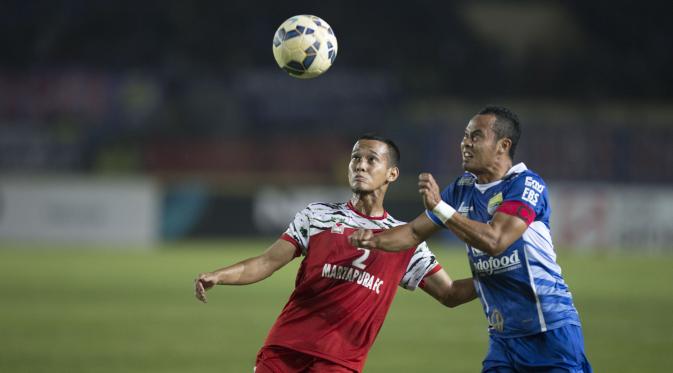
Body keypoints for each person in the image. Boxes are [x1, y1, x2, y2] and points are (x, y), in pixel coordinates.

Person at [194, 134, 476, 373]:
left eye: (371, 160)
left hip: (339, 361)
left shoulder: (405, 237)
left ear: (392, 173)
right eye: (355, 158)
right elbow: (267, 262)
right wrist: (220, 275)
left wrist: (498, 275)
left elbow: (449, 293)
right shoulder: (318, 215)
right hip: (284, 348)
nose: (360, 166)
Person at [349, 107, 592, 373]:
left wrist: (441, 208)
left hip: (549, 331)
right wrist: (372, 240)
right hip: (503, 338)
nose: (465, 142)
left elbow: (496, 240)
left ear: (503, 145)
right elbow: (413, 233)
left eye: (476, 136)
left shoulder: (525, 184)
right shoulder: (463, 189)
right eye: (465, 136)